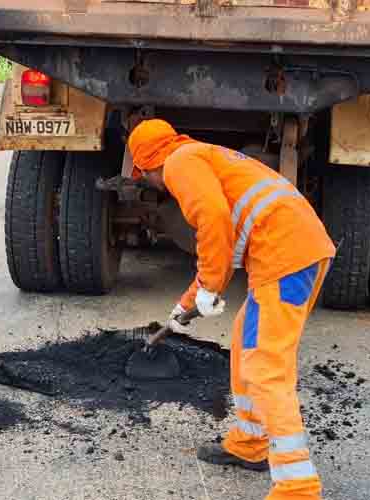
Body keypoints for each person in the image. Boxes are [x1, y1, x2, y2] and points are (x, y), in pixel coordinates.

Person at [127, 119, 336, 500]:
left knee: (266, 365)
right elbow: (222, 235)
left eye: (146, 177)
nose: (153, 184)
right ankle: (251, 442)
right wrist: (186, 304)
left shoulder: (178, 163)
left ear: (149, 165)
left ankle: (298, 487)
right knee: (245, 343)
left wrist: (210, 285)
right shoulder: (203, 155)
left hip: (286, 256)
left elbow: (213, 220)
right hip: (292, 252)